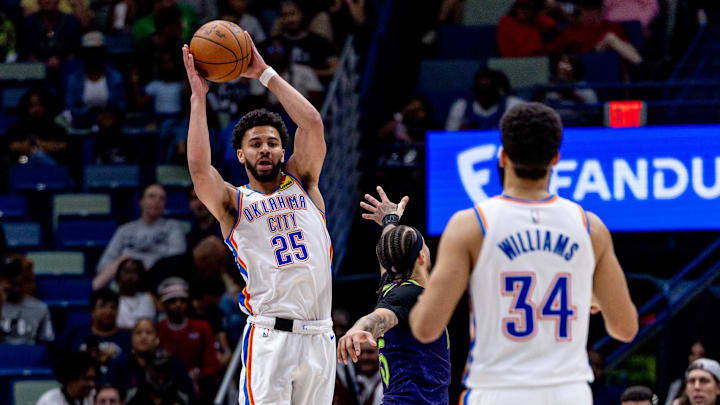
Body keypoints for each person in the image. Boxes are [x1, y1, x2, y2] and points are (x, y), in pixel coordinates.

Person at [409, 102, 638, 404]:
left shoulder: (470, 225)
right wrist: (588, 297)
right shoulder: (590, 226)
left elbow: (426, 329)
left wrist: (421, 273)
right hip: (569, 392)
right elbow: (625, 328)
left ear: (503, 157)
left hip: (499, 390)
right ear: (555, 158)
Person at [183, 24, 334, 403]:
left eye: (272, 143)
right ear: (240, 154)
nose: (264, 149)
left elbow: (312, 122)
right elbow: (200, 171)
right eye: (255, 144)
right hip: (271, 338)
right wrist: (198, 99)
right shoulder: (235, 203)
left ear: (283, 152)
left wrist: (264, 73)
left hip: (321, 335)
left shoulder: (304, 182)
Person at [338, 187, 450, 404]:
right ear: (421, 256)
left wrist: (390, 219)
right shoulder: (411, 295)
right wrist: (359, 328)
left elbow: (386, 259)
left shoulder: (389, 285)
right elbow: (380, 317)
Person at [95, 184, 187, 281]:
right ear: (141, 202)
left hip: (158, 278)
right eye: (152, 196)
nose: (157, 201)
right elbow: (103, 265)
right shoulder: (125, 229)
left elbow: (176, 260)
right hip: (126, 280)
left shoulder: (173, 227)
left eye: (162, 198)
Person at [155, 277, 219, 394]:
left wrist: (202, 374)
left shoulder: (202, 328)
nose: (178, 304)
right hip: (164, 386)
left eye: (182, 300)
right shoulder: (157, 329)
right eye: (172, 301)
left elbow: (211, 362)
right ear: (163, 304)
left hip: (198, 386)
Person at [105, 318, 194, 401]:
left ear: (157, 339)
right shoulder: (118, 364)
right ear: (131, 338)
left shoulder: (172, 364)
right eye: (138, 333)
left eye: (148, 332)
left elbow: (187, 396)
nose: (143, 336)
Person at [56, 288, 132, 367]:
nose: (108, 311)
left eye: (113, 307)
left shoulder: (128, 338)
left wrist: (112, 359)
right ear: (92, 311)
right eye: (102, 306)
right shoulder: (74, 335)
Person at [445, 68, 523, 131]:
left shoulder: (513, 105)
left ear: (498, 90)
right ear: (474, 91)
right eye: (481, 91)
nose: (485, 96)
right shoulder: (461, 106)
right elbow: (449, 138)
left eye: (488, 90)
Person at [0, 256, 54, 345]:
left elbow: (46, 344)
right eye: (5, 278)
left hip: (28, 356)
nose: (9, 282)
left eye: (14, 277)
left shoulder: (40, 308)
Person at [112, 259, 156, 329]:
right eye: (126, 271)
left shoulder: (149, 297)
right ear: (118, 275)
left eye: (134, 272)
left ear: (141, 276)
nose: (130, 276)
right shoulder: (112, 300)